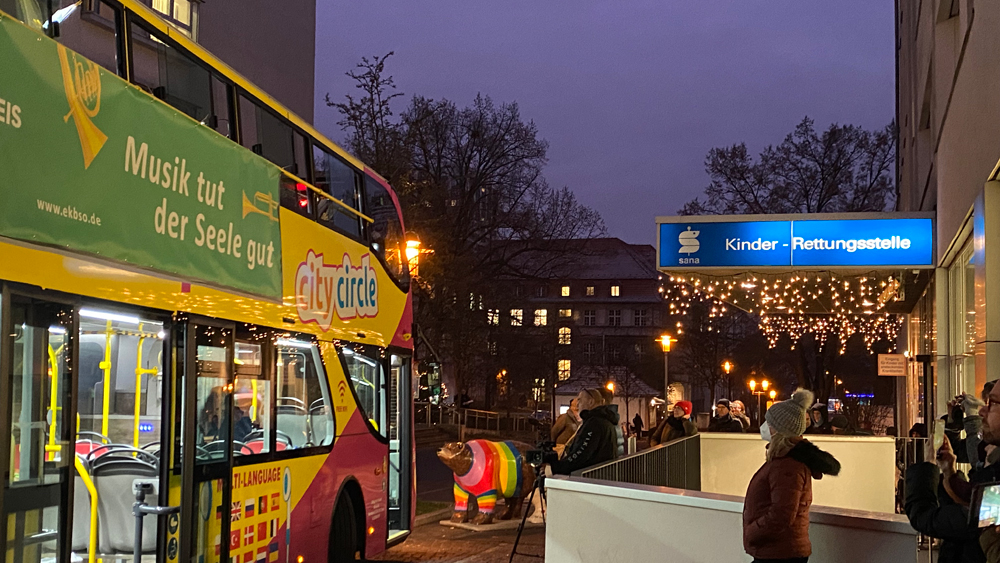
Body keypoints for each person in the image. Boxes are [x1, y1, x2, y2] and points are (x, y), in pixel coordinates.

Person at [743, 389, 841, 562]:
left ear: (779, 429)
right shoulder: (785, 460)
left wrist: (752, 532)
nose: (765, 426)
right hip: (778, 550)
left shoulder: (786, 465)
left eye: (769, 422)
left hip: (779, 553)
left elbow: (782, 513)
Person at [549, 388, 620, 475]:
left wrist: (555, 467)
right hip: (602, 476)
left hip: (590, 480)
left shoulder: (594, 424)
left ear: (591, 402)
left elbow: (581, 455)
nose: (577, 404)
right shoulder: (605, 421)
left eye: (580, 400)